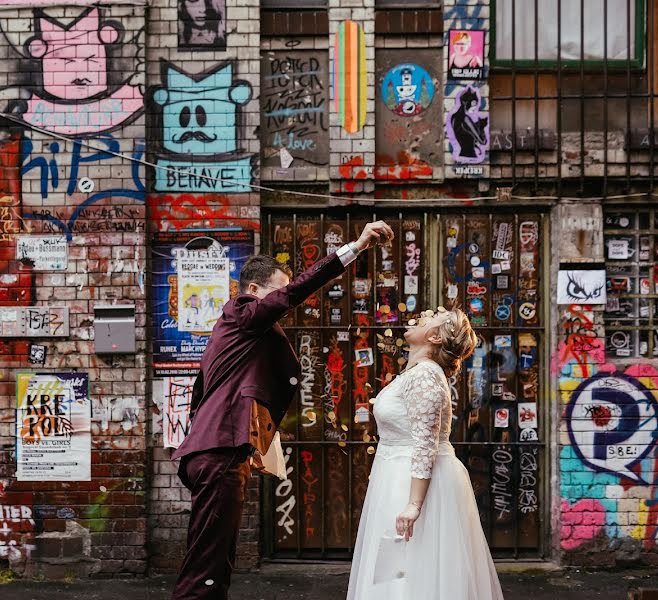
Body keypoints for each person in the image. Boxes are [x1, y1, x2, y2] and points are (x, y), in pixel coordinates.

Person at [171, 221, 395, 600]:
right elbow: (297, 290)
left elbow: (202, 392)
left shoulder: (233, 331)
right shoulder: (244, 311)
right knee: (205, 569)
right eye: (278, 288)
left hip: (216, 451)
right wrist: (355, 247)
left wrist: (247, 434)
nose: (286, 300)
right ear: (255, 290)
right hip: (220, 453)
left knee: (215, 561)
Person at [347, 307, 504, 600]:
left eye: (428, 319)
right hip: (397, 476)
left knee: (414, 570)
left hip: (417, 485)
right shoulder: (416, 373)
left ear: (433, 336)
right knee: (398, 572)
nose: (421, 317)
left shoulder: (425, 377)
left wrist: (414, 505)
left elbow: (425, 444)